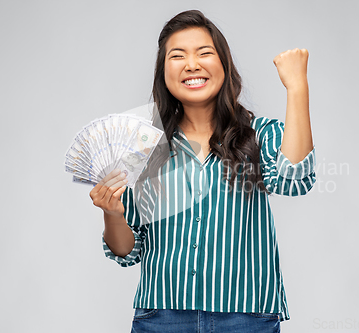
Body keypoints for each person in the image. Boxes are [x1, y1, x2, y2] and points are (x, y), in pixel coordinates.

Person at [89, 9, 316, 333]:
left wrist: (297, 88)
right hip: (162, 316)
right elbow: (127, 249)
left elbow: (295, 177)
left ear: (224, 65)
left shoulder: (258, 134)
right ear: (163, 72)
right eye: (177, 55)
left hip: (246, 316)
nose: (192, 64)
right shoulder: (143, 147)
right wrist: (112, 213)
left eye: (204, 53)